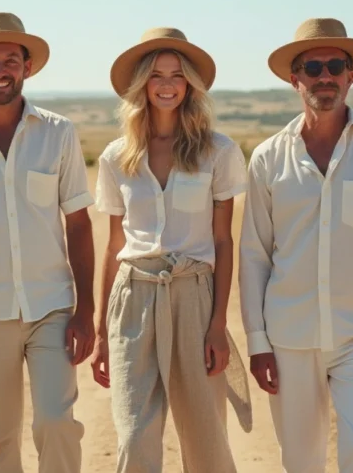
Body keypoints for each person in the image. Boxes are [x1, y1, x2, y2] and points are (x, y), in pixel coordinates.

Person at [238, 18, 353, 472]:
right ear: (294, 78)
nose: (325, 76)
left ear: (350, 75)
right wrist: (258, 343)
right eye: (312, 67)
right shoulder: (267, 158)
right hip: (288, 337)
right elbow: (255, 255)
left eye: (335, 65)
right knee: (301, 460)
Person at [90, 27, 253, 473]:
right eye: (156, 75)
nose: (166, 84)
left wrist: (218, 324)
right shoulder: (115, 157)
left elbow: (223, 240)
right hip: (133, 297)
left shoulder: (218, 152)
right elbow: (114, 246)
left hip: (193, 296)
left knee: (204, 437)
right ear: (141, 83)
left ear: (190, 86)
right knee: (135, 435)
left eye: (177, 76)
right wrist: (102, 332)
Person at [0, 12, 96, 473]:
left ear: (28, 68)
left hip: (51, 307)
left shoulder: (58, 132)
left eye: (12, 59)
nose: (1, 69)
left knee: (55, 422)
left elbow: (80, 225)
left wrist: (85, 311)